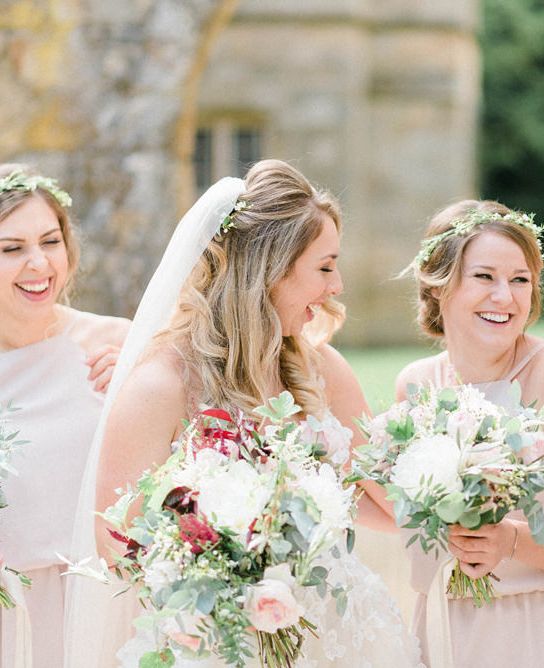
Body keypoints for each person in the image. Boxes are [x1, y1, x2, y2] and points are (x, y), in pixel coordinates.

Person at [65, 159, 422, 667]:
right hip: (218, 642)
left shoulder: (321, 369)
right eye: (324, 266)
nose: (338, 285)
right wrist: (231, 572)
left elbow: (388, 507)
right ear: (270, 270)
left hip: (334, 635)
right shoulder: (162, 384)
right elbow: (116, 542)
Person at [394, 199, 544, 667]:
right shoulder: (415, 385)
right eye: (484, 277)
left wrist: (513, 540)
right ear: (439, 284)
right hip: (444, 633)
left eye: (520, 280)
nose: (506, 297)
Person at [0, 165, 129, 666]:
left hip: (101, 607)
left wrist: (142, 390)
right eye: (12, 249)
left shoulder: (117, 345)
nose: (39, 264)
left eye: (50, 241)